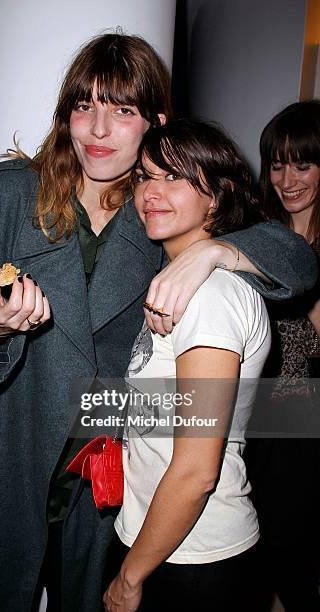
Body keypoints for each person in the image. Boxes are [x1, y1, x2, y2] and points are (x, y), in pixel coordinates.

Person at [0, 33, 317, 612]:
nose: (98, 130)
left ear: (155, 120)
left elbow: (297, 258)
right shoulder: (2, 194)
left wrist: (215, 253)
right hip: (5, 458)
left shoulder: (159, 209)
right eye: (85, 106)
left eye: (123, 111)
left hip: (101, 481)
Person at [102, 118, 271, 612]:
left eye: (174, 177)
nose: (151, 192)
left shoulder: (210, 297)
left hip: (193, 557)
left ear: (216, 196)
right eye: (145, 176)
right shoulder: (178, 281)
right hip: (167, 542)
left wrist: (130, 579)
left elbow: (197, 470)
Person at [245, 100, 320, 612]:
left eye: (302, 164)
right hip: (255, 407)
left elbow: (312, 340)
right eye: (276, 164)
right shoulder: (263, 234)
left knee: (291, 547)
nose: (286, 179)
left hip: (302, 413)